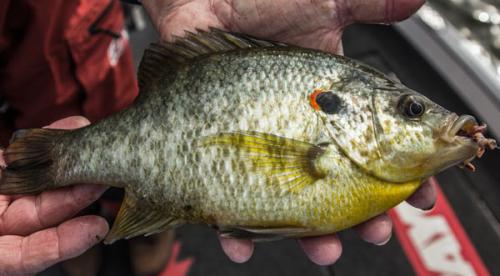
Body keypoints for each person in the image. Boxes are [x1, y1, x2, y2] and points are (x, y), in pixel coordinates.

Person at [0, 0, 436, 274]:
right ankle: (82, 233)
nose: (426, 120)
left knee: (102, 176)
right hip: (26, 86)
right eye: (411, 110)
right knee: (74, 218)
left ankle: (135, 233)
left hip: (91, 46)